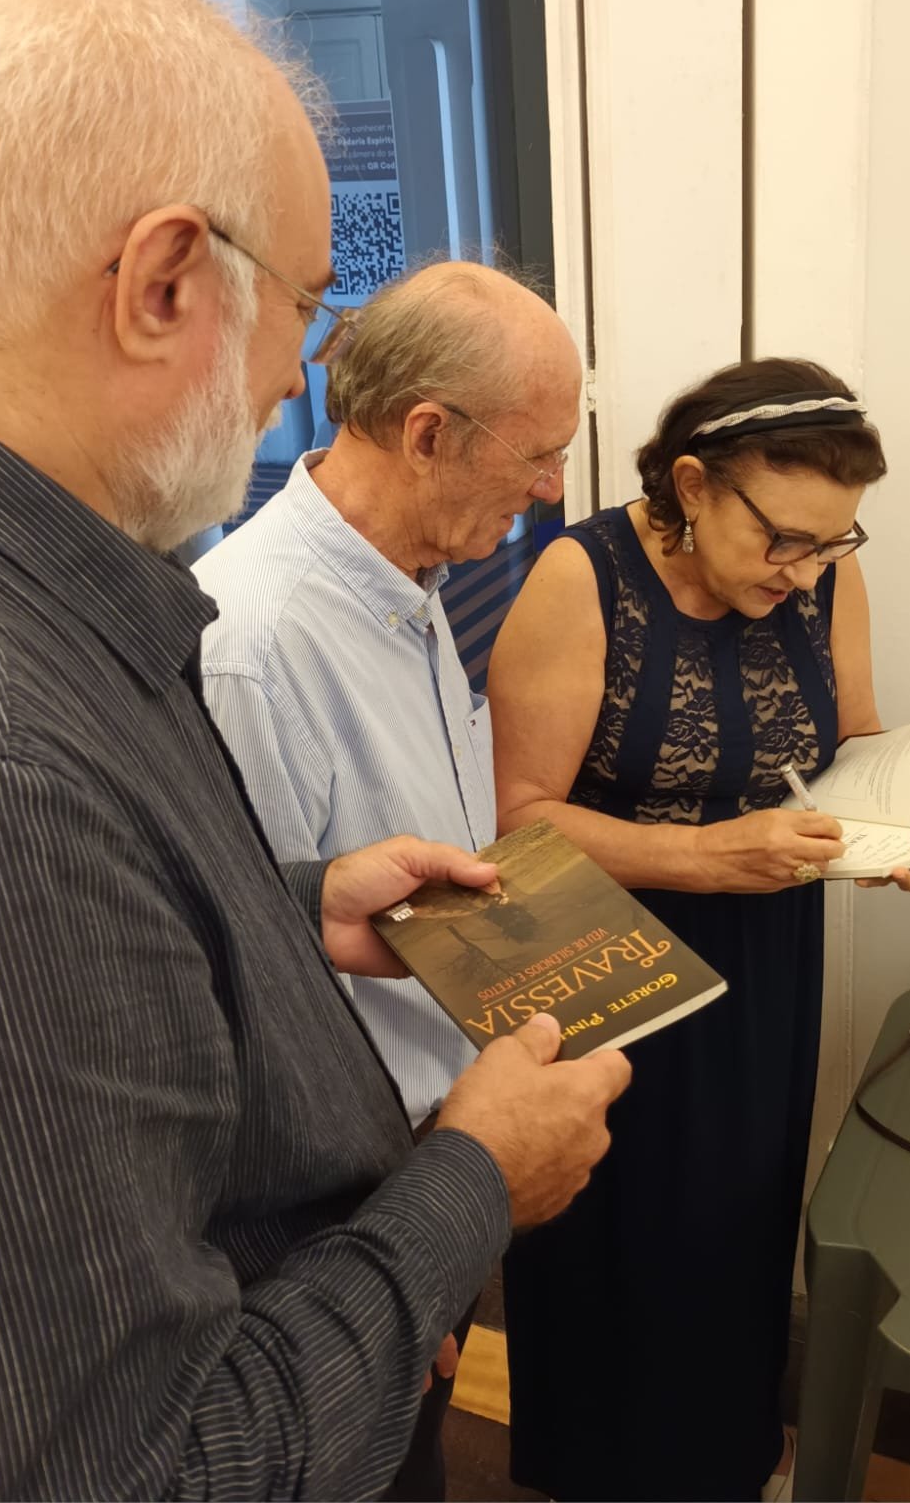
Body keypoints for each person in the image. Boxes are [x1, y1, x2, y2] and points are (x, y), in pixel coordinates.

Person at [0, 0, 631, 1501]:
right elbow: (144, 1471)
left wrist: (284, 910)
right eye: (307, 305)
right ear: (166, 283)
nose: (301, 373)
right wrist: (473, 1181)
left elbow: (71, 961)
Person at [486, 358, 910, 1503]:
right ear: (693, 484)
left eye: (829, 542)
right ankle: (594, 1471)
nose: (802, 570)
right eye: (782, 540)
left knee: (734, 1211)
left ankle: (721, 1458)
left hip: (762, 952)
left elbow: (851, 740)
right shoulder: (580, 577)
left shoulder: (821, 574)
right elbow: (521, 821)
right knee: (611, 1223)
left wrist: (890, 826)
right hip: (602, 952)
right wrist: (706, 856)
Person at [194, 259, 581, 1496]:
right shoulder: (250, 644)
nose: (551, 487)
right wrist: (366, 1264)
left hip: (425, 1148)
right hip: (346, 1201)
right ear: (425, 434)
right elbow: (241, 1019)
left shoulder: (411, 580)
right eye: (538, 454)